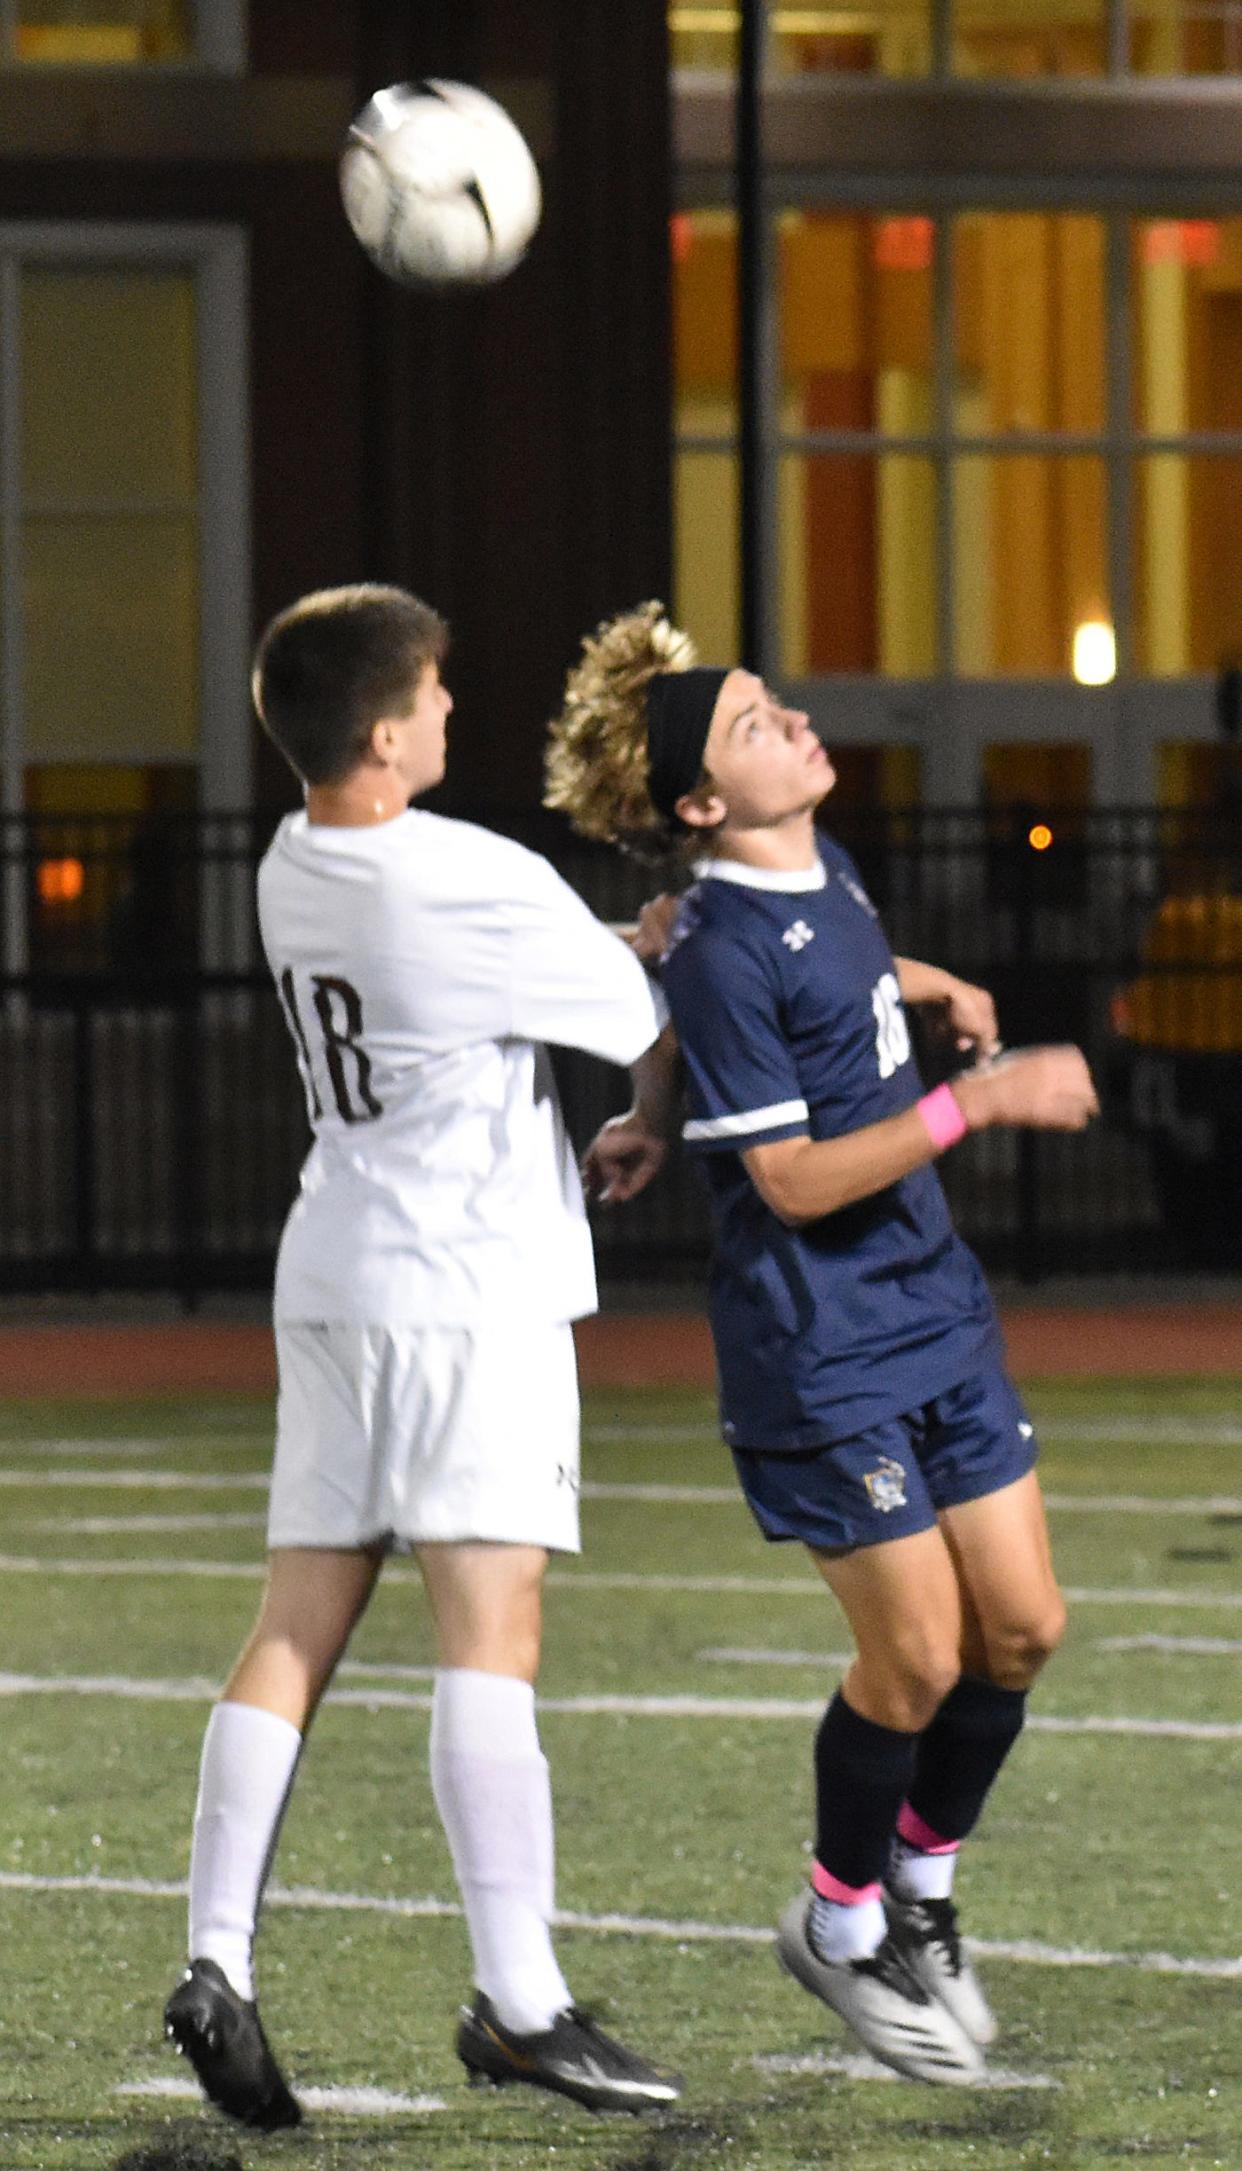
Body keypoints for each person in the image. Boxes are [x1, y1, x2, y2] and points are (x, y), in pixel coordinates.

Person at [544, 602, 1099, 2087]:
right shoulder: (721, 940)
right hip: (820, 1347)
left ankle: (920, 1899)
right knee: (912, 1661)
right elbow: (786, 1179)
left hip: (932, 1307)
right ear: (702, 808)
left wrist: (926, 989)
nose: (793, 720)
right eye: (753, 725)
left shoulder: (817, 869)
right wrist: (972, 1100)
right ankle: (838, 1923)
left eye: (775, 701)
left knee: (1023, 1629)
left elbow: (825, 968)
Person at [163, 584, 681, 2126]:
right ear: (387, 734)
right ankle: (521, 1998)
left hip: (333, 1275)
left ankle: (215, 1960)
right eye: (438, 694)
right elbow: (637, 1016)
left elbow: (475, 959)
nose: (456, 710)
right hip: (468, 1292)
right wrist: (649, 1058)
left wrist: (582, 933)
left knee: (293, 1627)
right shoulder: (473, 873)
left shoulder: (291, 860)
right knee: (489, 1631)